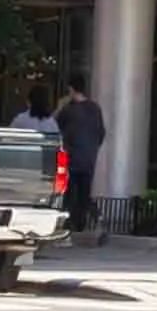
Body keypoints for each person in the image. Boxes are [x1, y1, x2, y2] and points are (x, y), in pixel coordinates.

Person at [54, 79, 107, 233]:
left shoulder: (68, 110)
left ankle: (69, 225)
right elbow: (101, 133)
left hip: (70, 158)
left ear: (71, 90)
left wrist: (59, 106)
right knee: (84, 192)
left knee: (69, 193)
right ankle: (86, 222)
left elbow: (53, 125)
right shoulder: (95, 108)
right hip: (89, 157)